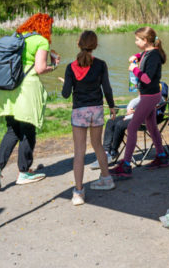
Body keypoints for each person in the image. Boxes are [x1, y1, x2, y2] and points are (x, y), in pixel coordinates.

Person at [0, 13, 59, 188]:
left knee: (12, 130)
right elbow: (40, 68)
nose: (51, 30)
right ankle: (24, 172)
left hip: (8, 88)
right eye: (50, 27)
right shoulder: (41, 41)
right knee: (28, 130)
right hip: (26, 90)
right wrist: (54, 65)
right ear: (45, 27)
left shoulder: (17, 37)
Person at [61, 30, 117, 205]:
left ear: (79, 44)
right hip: (97, 110)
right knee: (97, 144)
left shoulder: (70, 67)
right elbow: (107, 88)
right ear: (95, 45)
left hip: (79, 111)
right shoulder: (101, 64)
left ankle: (78, 192)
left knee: (79, 151)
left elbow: (65, 94)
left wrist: (66, 83)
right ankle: (107, 179)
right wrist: (112, 106)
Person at [109, 27, 169, 178]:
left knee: (132, 127)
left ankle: (126, 165)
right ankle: (161, 157)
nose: (135, 42)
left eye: (137, 39)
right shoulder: (148, 53)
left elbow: (147, 79)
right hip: (148, 95)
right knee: (152, 126)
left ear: (145, 40)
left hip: (149, 96)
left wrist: (134, 69)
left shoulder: (153, 56)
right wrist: (135, 56)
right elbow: (142, 55)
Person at [90, 95, 141, 167]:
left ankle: (113, 151)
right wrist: (130, 108)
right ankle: (106, 152)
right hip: (132, 115)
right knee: (110, 122)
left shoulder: (154, 94)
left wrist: (131, 116)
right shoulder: (145, 92)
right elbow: (136, 100)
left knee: (120, 124)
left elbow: (148, 109)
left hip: (143, 118)